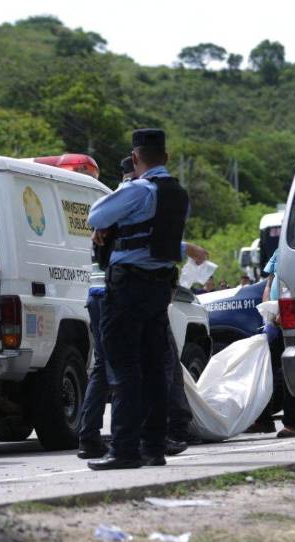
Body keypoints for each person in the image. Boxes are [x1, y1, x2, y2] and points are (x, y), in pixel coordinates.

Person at [86, 128, 189, 470]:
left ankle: (125, 449)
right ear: (167, 157)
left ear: (134, 158)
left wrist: (106, 227)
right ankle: (153, 447)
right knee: (154, 369)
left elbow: (96, 217)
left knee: (123, 369)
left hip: (128, 288)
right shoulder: (176, 193)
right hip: (159, 289)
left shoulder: (138, 189)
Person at [247, 249, 295, 438]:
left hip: (290, 316)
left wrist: (284, 312)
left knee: (289, 370)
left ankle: (292, 424)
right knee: (264, 368)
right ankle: (264, 420)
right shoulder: (280, 250)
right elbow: (270, 280)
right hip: (273, 319)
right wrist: (266, 310)